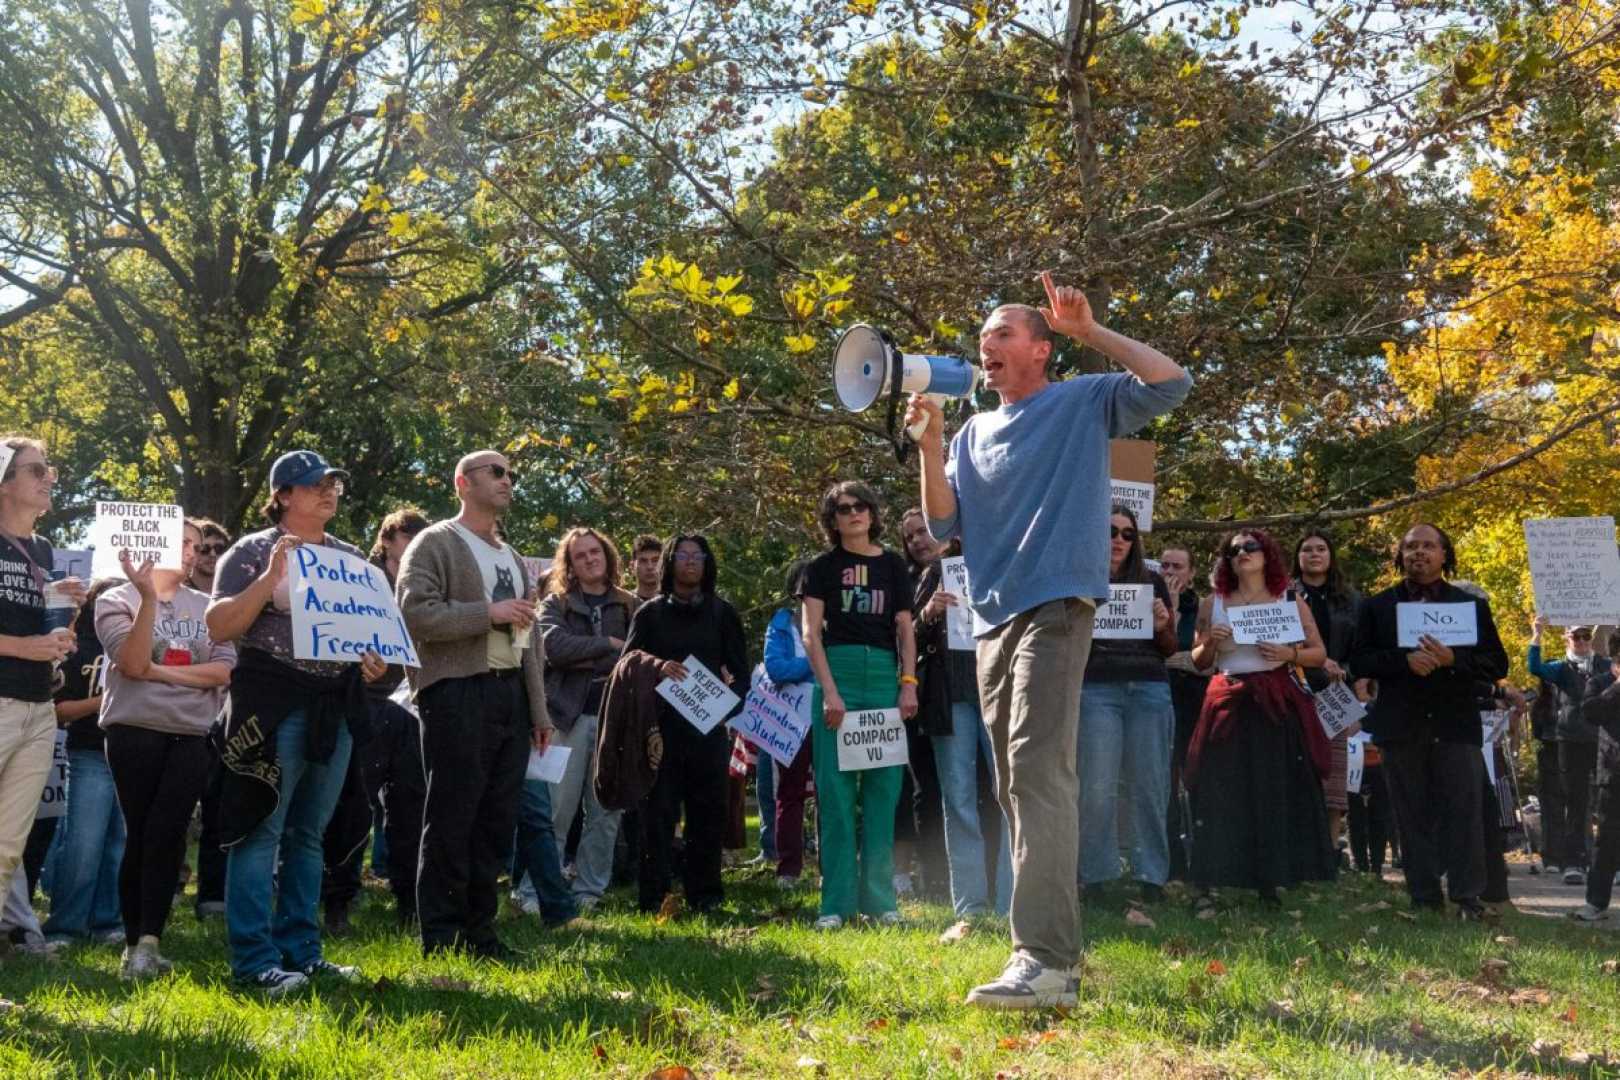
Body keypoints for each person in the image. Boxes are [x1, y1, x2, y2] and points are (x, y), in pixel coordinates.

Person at [907, 273, 1190, 1008]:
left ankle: (1047, 960)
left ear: (1039, 349)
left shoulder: (1079, 400)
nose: (985, 346)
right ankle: (1041, 955)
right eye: (982, 339)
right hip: (993, 619)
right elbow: (941, 526)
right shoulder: (972, 431)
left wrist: (1089, 332)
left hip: (1058, 604)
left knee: (1036, 772)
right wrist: (931, 443)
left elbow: (1171, 383)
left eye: (1002, 333)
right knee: (1016, 782)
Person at [208, 450, 382, 995]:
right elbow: (219, 625)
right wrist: (269, 579)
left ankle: (302, 953)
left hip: (335, 704)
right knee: (262, 829)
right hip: (273, 704)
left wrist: (374, 662)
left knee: (310, 834)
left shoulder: (351, 558)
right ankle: (254, 962)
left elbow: (373, 636)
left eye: (333, 484)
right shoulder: (249, 551)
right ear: (283, 495)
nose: (328, 492)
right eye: (313, 486)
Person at [397, 451, 552, 959]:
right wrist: (487, 612)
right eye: (497, 472)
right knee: (452, 816)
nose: (509, 480)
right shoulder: (435, 542)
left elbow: (531, 641)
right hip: (456, 689)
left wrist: (539, 711)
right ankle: (440, 939)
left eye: (511, 473)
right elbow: (415, 614)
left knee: (495, 821)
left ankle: (481, 936)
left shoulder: (510, 556)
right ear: (463, 482)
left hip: (509, 695)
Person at [1350, 523, 1509, 919]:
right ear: (1400, 556)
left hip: (1455, 723)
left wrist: (1454, 660)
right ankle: (1423, 896)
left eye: (1427, 546)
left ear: (1444, 555)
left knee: (1463, 810)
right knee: (1411, 812)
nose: (1418, 553)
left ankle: (1467, 896)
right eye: (1410, 547)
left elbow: (1496, 663)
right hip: (1401, 724)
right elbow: (1360, 660)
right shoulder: (1377, 607)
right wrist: (1402, 662)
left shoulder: (1469, 606)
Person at [100, 526, 237, 977]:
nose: (192, 549)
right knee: (141, 832)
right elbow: (133, 662)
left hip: (192, 733)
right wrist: (147, 598)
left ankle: (149, 945)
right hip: (134, 730)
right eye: (181, 540)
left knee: (169, 831)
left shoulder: (209, 608)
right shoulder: (116, 599)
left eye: (195, 543)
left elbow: (221, 672)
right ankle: (135, 945)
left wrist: (159, 673)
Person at [1186, 530, 1336, 908]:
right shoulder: (1212, 602)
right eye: (1233, 550)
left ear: (1267, 554)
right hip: (1228, 701)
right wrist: (1212, 643)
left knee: (1272, 789)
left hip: (1275, 702)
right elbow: (1197, 660)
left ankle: (1271, 880)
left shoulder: (1289, 599)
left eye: (1250, 547)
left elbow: (1318, 653)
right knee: (1222, 789)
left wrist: (1290, 654)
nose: (1242, 554)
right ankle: (1213, 879)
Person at [800, 482, 918, 930]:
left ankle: (881, 900)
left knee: (884, 792)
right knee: (835, 794)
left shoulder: (893, 565)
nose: (853, 514)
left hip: (884, 676)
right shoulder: (820, 568)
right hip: (839, 675)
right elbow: (812, 634)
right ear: (832, 519)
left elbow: (905, 629)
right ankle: (836, 903)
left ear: (872, 513)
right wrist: (830, 691)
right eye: (843, 509)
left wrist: (908, 684)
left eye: (861, 506)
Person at [623, 534, 749, 914]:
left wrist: (727, 709)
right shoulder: (650, 614)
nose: (691, 562)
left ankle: (706, 896)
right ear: (669, 563)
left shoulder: (722, 613)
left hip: (708, 731)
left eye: (699, 556)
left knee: (707, 814)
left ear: (708, 563)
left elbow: (741, 674)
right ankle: (654, 897)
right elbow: (627, 666)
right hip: (660, 731)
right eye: (682, 555)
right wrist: (658, 669)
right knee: (658, 815)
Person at [321, 506, 432, 932]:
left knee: (410, 807)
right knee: (351, 809)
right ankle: (337, 903)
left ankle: (409, 902)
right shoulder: (355, 582)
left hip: (409, 710)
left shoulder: (423, 587)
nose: (413, 547)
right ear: (386, 541)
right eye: (407, 538)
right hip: (360, 705)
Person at [903, 509, 1011, 922]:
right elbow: (907, 631)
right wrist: (929, 613)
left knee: (1009, 796)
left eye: (924, 530)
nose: (919, 539)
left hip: (998, 693)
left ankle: (1010, 901)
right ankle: (969, 905)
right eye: (910, 535)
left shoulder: (1002, 561)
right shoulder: (933, 575)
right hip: (951, 699)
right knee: (959, 799)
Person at [531, 526, 636, 916]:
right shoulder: (556, 603)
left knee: (605, 811)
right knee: (556, 810)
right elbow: (552, 648)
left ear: (607, 555)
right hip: (566, 717)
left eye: (596, 552)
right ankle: (535, 891)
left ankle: (590, 891)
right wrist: (608, 646)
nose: (590, 559)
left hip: (615, 720)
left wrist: (588, 655)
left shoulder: (629, 605)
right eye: (581, 555)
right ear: (570, 564)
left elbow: (638, 658)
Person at [0, 435, 84, 917]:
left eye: (48, 468)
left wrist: (61, 622)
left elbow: (36, 628)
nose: (49, 477)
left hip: (38, 708)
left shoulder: (44, 550)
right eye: (36, 470)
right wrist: (24, 647)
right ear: (5, 484)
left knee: (9, 846)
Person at [1078, 506, 1177, 904]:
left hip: (1150, 690)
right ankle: (1096, 878)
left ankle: (1152, 878)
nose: (1118, 539)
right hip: (1095, 690)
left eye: (1127, 534)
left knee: (1150, 786)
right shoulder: (1077, 580)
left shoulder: (1151, 581)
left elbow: (1170, 647)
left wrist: (1161, 626)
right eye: (1111, 531)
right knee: (1097, 787)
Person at [40, 580, 121, 945]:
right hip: (90, 754)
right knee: (83, 843)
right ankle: (66, 925)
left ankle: (107, 923)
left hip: (136, 756)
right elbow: (58, 712)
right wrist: (107, 700)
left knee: (119, 844)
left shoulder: (143, 645)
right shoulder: (79, 650)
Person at [1292, 529, 1362, 859]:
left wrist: (1346, 670)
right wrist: (1319, 659)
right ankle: (1297, 848)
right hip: (1296, 689)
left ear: (1331, 556)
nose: (1314, 554)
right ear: (1298, 557)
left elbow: (1364, 650)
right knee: (1297, 769)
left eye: (1321, 549)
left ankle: (1330, 852)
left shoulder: (1351, 600)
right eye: (1307, 550)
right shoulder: (1284, 596)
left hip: (1337, 693)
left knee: (1334, 776)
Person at [1528, 617, 1609, 886]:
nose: (1583, 642)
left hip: (1601, 739)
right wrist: (1537, 635)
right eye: (1577, 637)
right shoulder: (1561, 668)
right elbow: (1535, 667)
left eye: (1587, 636)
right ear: (1566, 638)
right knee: (1576, 801)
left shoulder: (1604, 665)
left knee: (1608, 800)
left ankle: (1610, 862)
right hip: (1570, 740)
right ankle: (1574, 861)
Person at [761, 559, 816, 888]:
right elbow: (776, 669)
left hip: (828, 714)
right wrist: (814, 661)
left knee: (831, 794)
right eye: (802, 585)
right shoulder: (780, 624)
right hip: (790, 721)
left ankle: (830, 867)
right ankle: (788, 870)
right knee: (789, 793)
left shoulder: (833, 623)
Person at [1158, 544, 1207, 882]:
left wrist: (1182, 658)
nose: (1170, 572)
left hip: (1192, 701)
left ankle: (1201, 862)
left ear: (1190, 574)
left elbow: (1205, 661)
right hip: (1158, 696)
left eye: (1177, 566)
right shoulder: (1145, 602)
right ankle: (1170, 864)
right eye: (1164, 565)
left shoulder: (1203, 607)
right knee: (1163, 783)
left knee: (1195, 779)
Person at [1570, 632, 1620, 922]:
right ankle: (1596, 902)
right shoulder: (1600, 682)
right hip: (1613, 773)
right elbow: (1590, 712)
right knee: (1608, 840)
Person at [188, 519, 230, 594]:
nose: (212, 554)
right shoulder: (176, 589)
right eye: (204, 548)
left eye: (218, 548)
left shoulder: (233, 591)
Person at [629, 535, 663, 605]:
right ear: (632, 566)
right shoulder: (624, 603)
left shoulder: (674, 602)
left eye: (655, 560)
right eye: (643, 561)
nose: (650, 567)